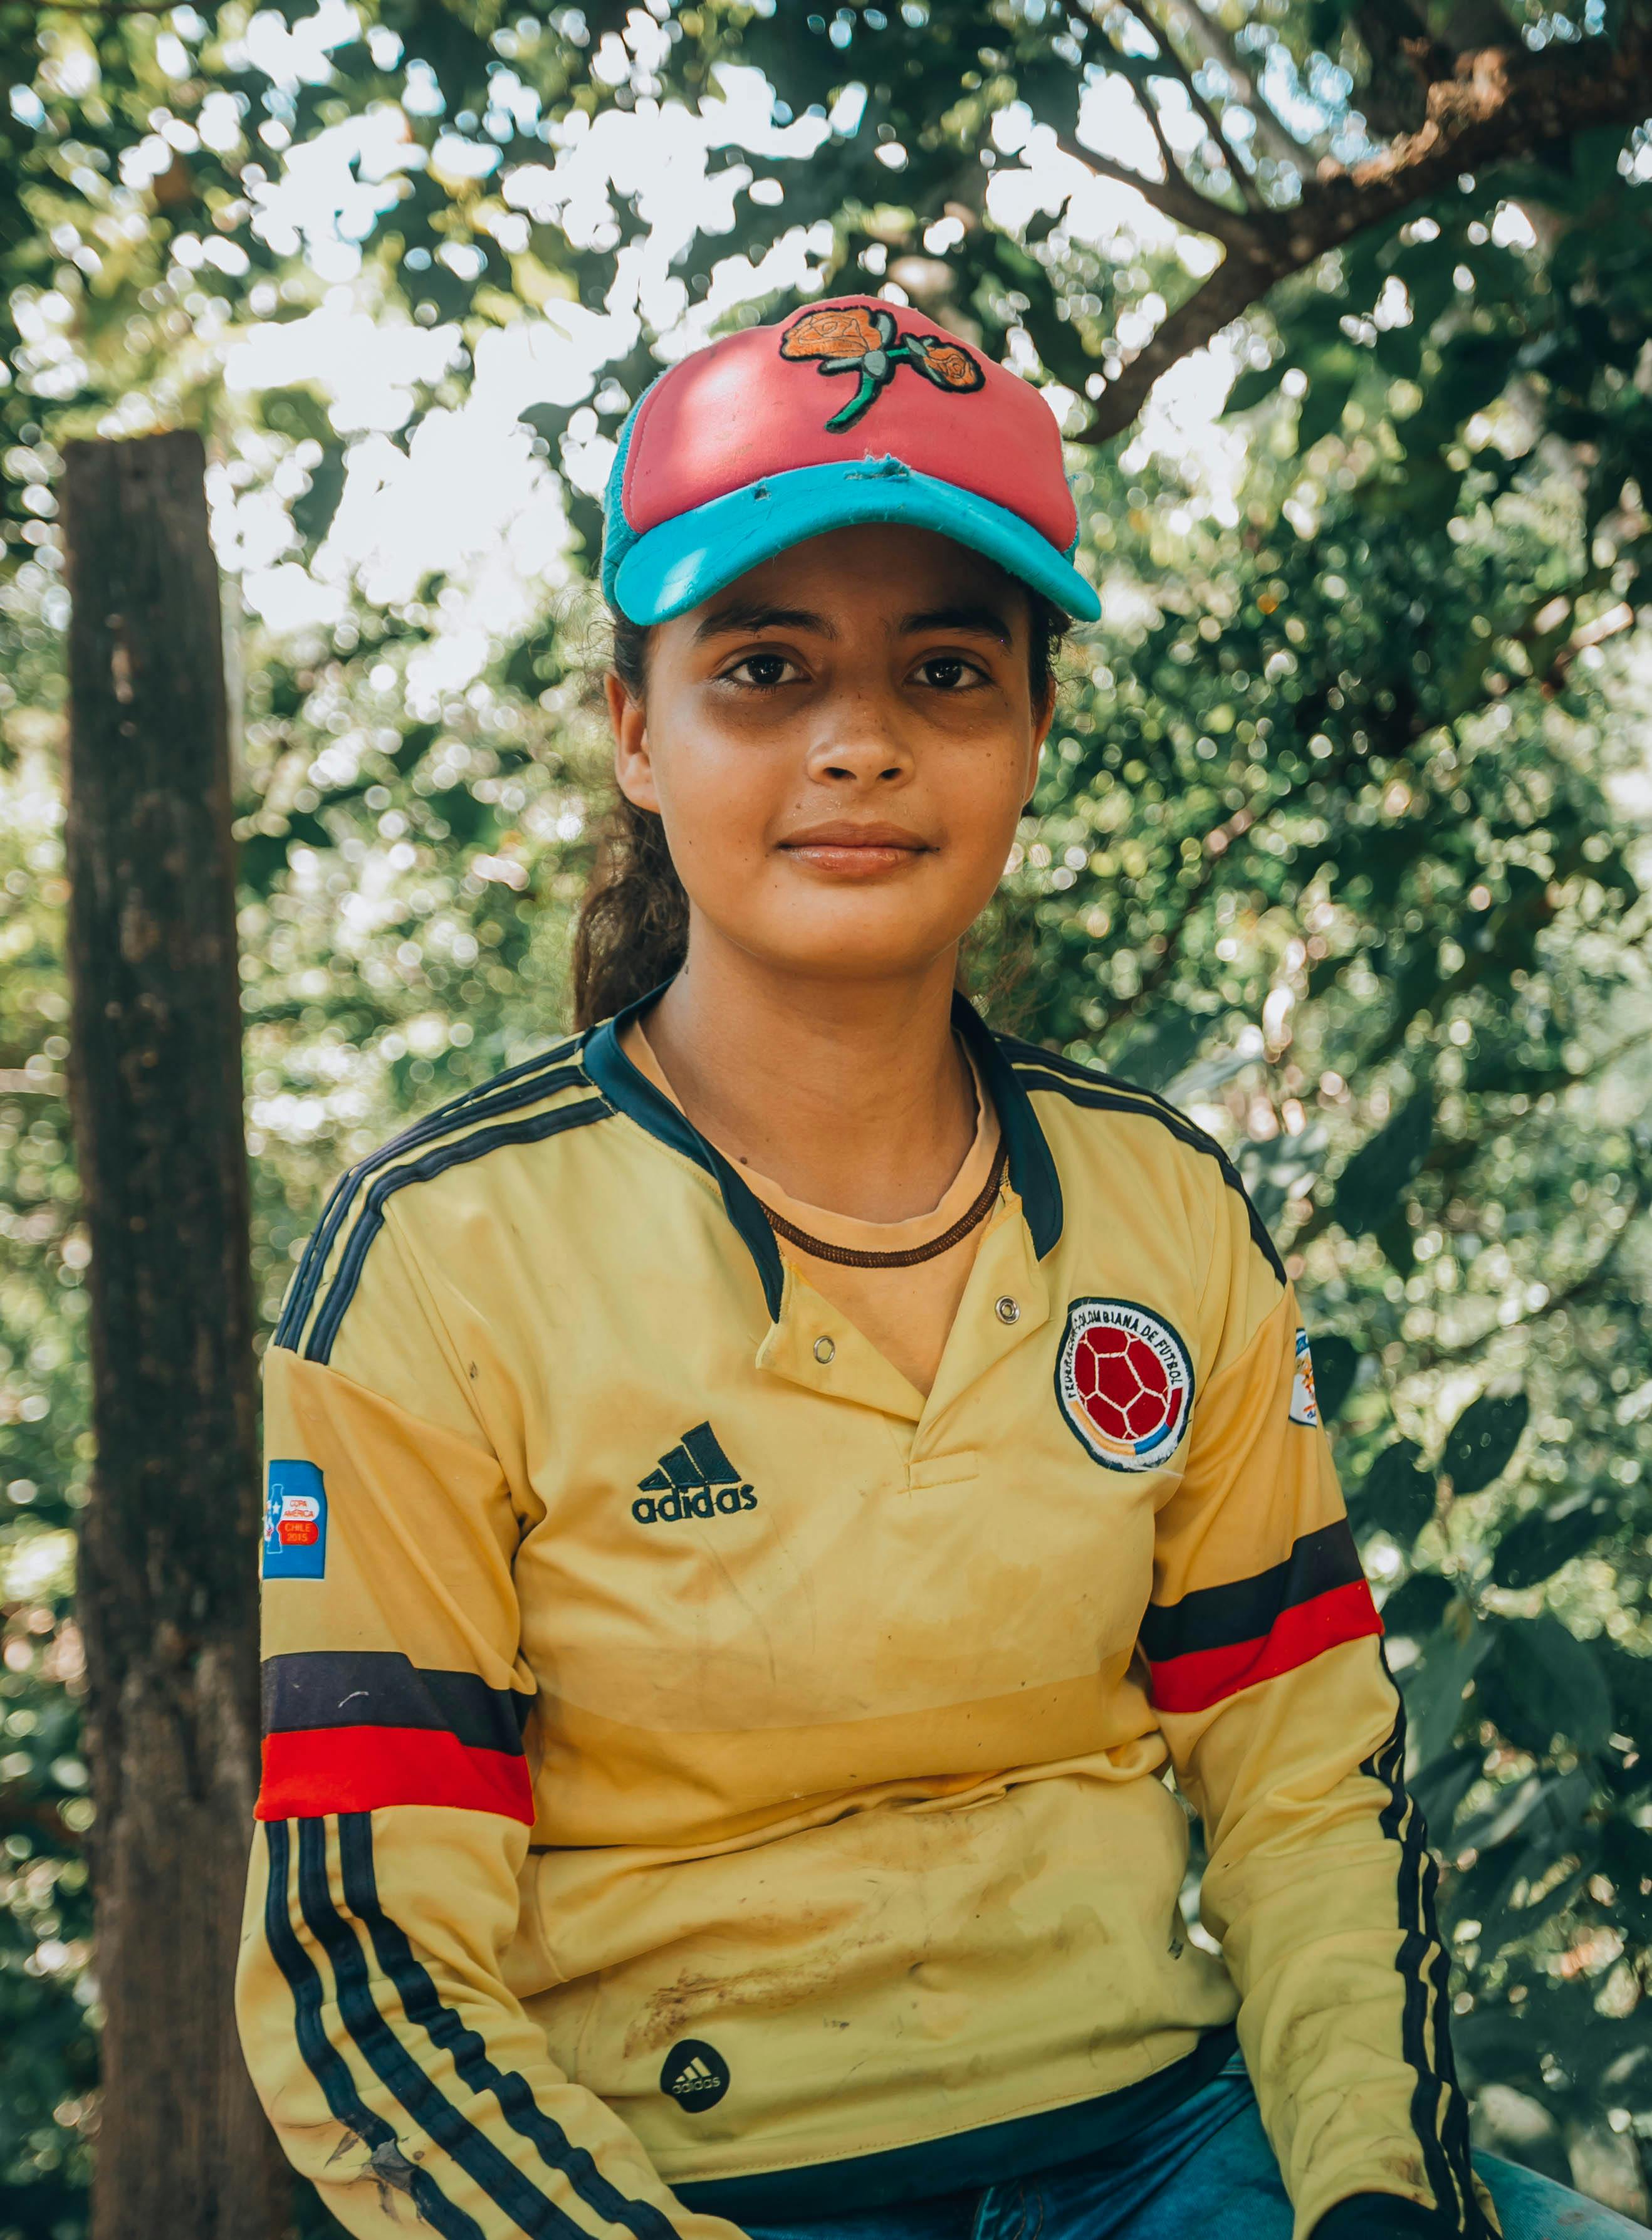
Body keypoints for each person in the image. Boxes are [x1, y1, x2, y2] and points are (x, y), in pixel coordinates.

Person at [235, 296, 1634, 2240]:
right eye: (763, 668)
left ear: (1032, 731)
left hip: (1170, 2155)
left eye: (947, 670)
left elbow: (1304, 1781)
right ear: (638, 732)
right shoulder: (442, 1258)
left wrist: (1378, 2205)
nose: (861, 741)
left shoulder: (1161, 1211)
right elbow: (369, 1963)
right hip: (672, 2184)